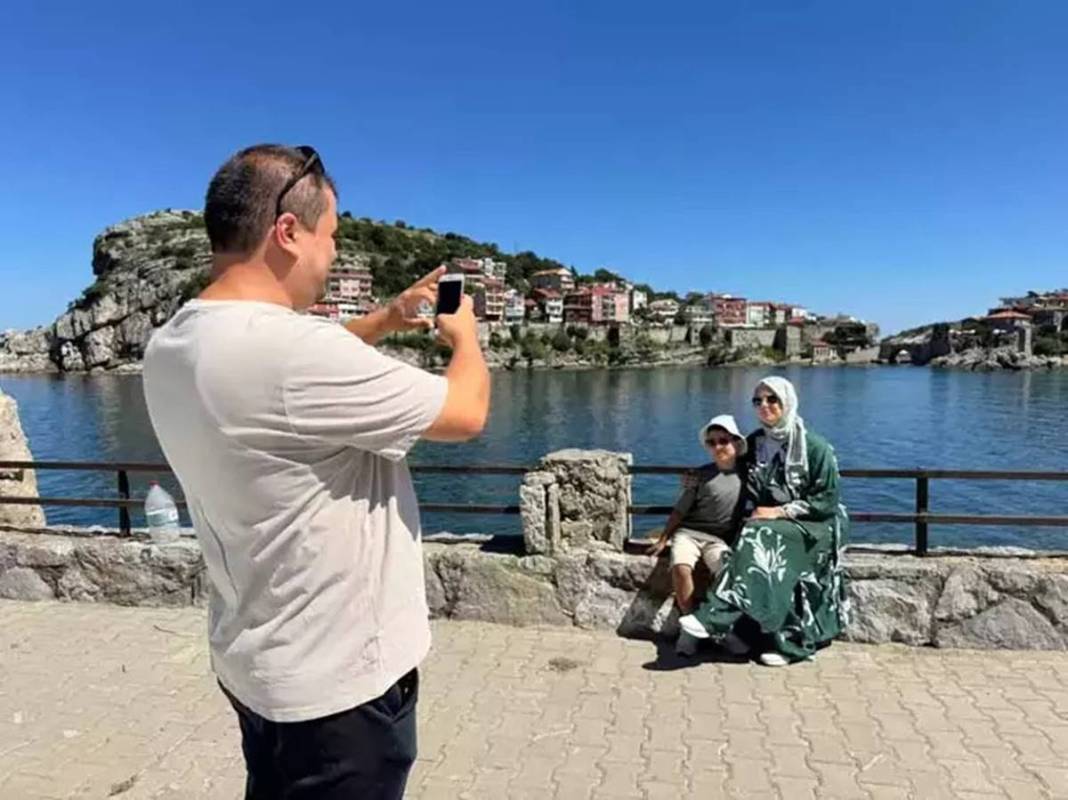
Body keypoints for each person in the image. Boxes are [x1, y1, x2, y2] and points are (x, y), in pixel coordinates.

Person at [142, 144, 490, 799]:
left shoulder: (172, 346)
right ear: (288, 233)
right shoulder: (298, 354)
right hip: (343, 693)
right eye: (329, 236)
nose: (332, 255)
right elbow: (466, 412)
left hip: (259, 668)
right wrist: (465, 336)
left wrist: (388, 317)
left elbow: (285, 383)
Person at [679, 376, 849, 667]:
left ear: (788, 402)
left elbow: (827, 502)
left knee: (758, 534)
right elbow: (729, 465)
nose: (764, 405)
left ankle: (718, 618)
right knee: (756, 534)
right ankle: (762, 636)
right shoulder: (756, 442)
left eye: (772, 399)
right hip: (768, 524)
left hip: (814, 524)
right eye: (758, 400)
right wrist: (698, 477)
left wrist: (779, 512)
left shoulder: (815, 448)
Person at [647, 414, 749, 656]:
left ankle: (720, 628)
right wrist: (664, 538)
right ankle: (689, 629)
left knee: (726, 572)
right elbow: (680, 509)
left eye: (722, 441)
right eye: (712, 442)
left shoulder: (749, 475)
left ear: (735, 442)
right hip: (689, 533)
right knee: (681, 567)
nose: (717, 447)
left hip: (718, 540)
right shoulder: (700, 475)